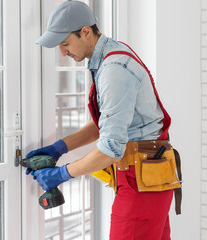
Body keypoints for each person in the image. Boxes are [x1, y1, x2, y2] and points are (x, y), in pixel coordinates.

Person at [24, 1, 181, 239]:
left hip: (141, 185)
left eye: (65, 43)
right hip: (147, 179)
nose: (63, 53)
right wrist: (59, 148)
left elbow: (110, 149)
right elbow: (105, 126)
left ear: (85, 32)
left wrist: (61, 174)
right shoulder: (110, 55)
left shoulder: (114, 69)